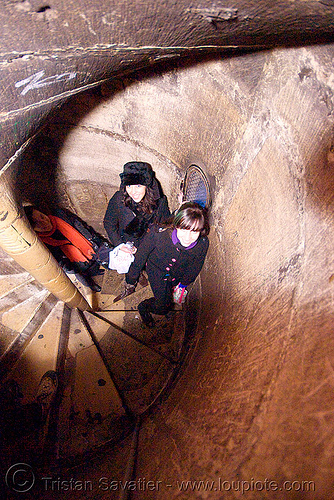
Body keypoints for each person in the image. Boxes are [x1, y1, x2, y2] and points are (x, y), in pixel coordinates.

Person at [120, 202, 210, 327]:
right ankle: (144, 306)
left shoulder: (203, 243)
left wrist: (183, 284)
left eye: (194, 232)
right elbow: (140, 257)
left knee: (167, 298)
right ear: (176, 225)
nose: (188, 238)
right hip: (156, 273)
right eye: (184, 229)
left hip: (177, 275)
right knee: (163, 306)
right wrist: (130, 280)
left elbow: (196, 265)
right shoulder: (157, 234)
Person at [24, 205, 112, 292]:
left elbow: (80, 225)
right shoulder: (42, 243)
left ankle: (95, 271)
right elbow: (58, 261)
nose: (44, 223)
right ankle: (91, 285)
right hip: (74, 262)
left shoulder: (60, 215)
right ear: (33, 230)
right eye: (37, 224)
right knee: (83, 275)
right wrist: (71, 268)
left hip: (86, 247)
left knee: (94, 262)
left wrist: (93, 240)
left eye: (42, 217)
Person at [103, 161, 171, 257]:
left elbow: (166, 224)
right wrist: (120, 244)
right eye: (129, 186)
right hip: (129, 246)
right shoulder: (119, 199)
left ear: (147, 186)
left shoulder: (159, 202)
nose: (133, 192)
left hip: (150, 248)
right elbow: (109, 222)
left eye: (138, 186)